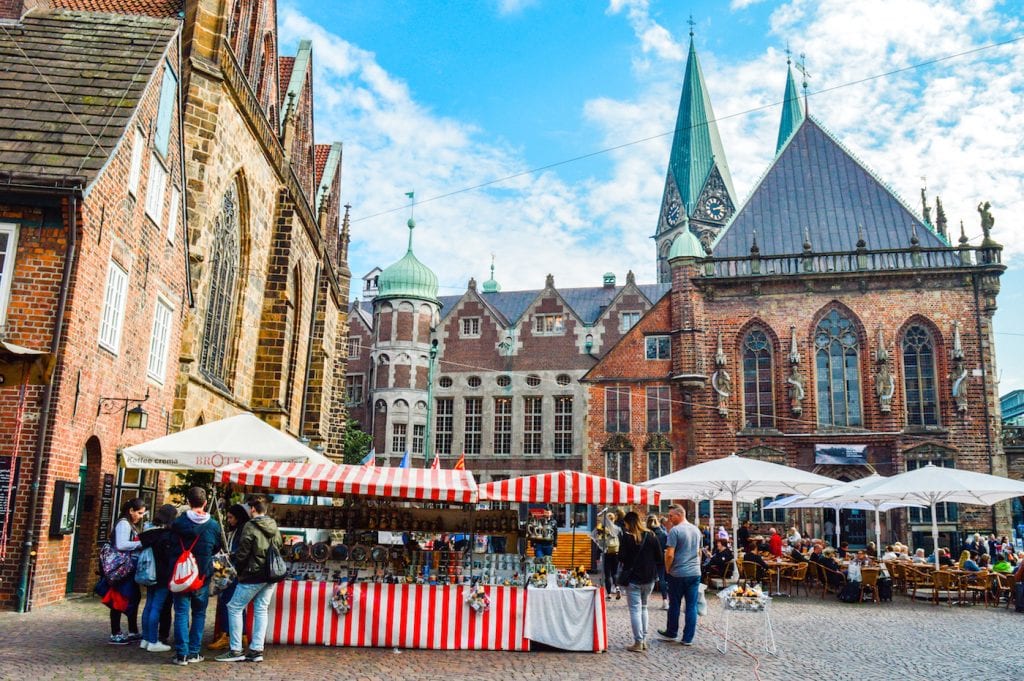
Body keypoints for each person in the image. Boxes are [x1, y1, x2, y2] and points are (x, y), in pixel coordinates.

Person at [216, 496, 283, 663]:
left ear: (253, 509)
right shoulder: (273, 525)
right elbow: (280, 545)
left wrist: (238, 568)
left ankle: (236, 650)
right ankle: (256, 650)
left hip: (253, 574)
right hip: (270, 574)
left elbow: (243, 552)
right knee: (261, 609)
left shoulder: (250, 526)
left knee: (234, 607)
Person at [170, 487, 223, 666]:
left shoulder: (178, 523)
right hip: (202, 575)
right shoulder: (213, 525)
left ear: (188, 501)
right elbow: (217, 547)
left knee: (181, 613)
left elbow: (170, 545)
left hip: (182, 575)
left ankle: (181, 654)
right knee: (199, 613)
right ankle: (193, 652)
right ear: (205, 503)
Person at [97, 498, 147, 645]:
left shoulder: (128, 523)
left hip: (125, 568)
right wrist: (141, 543)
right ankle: (116, 632)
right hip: (121, 568)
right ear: (130, 510)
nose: (141, 516)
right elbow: (121, 544)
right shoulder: (124, 524)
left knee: (132, 597)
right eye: (139, 513)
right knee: (119, 598)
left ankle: (132, 630)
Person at [657, 505, 701, 647]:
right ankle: (688, 637)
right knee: (691, 606)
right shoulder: (696, 530)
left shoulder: (675, 531)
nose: (669, 519)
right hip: (694, 572)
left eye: (671, 516)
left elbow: (669, 554)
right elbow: (699, 552)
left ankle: (672, 632)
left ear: (679, 514)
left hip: (678, 573)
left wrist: (668, 569)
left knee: (675, 604)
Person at [618, 512, 661, 652]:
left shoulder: (627, 537)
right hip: (649, 578)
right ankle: (644, 640)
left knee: (635, 610)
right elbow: (659, 557)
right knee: (644, 607)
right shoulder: (651, 536)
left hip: (634, 578)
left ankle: (638, 641)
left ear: (629, 523)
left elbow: (622, 557)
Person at [210, 504, 251, 651]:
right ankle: (242, 635)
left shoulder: (242, 531)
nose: (228, 520)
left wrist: (230, 555)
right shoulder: (239, 530)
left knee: (228, 603)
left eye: (231, 517)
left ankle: (227, 635)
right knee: (234, 604)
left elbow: (239, 551)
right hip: (230, 569)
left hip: (232, 571)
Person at [139, 504, 179, 652]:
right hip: (162, 574)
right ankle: (153, 641)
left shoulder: (149, 531)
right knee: (157, 607)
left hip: (149, 573)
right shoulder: (166, 535)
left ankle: (145, 638)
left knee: (148, 605)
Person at [594, 512, 622, 600]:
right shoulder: (618, 529)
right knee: (614, 573)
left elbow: (600, 543)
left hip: (607, 553)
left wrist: (597, 556)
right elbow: (622, 542)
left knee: (607, 574)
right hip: (616, 553)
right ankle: (617, 588)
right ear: (614, 519)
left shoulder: (603, 529)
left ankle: (609, 594)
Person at [646, 514, 668, 606]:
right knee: (662, 579)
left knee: (647, 579)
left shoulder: (647, 533)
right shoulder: (663, 533)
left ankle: (645, 599)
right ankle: (665, 600)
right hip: (661, 558)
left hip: (649, 559)